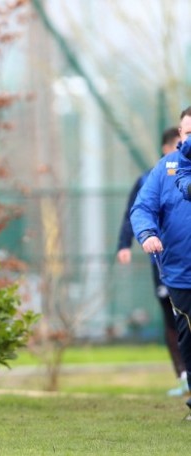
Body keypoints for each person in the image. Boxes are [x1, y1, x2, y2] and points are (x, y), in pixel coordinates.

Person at [116, 127, 187, 396]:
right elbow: (134, 211)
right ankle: (182, 375)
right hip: (166, 265)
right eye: (183, 140)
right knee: (173, 322)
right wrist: (127, 243)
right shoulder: (153, 176)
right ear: (168, 148)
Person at [131, 106, 191, 416]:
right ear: (180, 135)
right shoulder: (165, 169)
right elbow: (142, 208)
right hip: (181, 273)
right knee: (189, 337)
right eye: (189, 133)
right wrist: (146, 234)